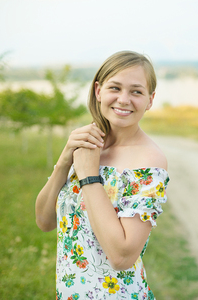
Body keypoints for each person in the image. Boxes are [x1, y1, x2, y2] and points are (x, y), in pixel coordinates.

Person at [35, 51, 169, 300]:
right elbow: (44, 221)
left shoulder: (148, 162)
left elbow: (122, 257)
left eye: (136, 92)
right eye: (115, 88)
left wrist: (88, 176)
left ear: (150, 100)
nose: (124, 99)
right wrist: (65, 159)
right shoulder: (88, 146)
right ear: (98, 91)